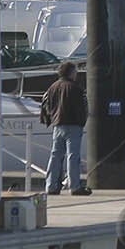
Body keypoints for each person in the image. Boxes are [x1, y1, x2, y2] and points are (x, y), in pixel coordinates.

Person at [41, 62, 90, 195]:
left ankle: (51, 186)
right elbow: (83, 107)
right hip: (73, 125)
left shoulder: (53, 87)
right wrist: (82, 121)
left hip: (58, 125)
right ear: (71, 73)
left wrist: (51, 118)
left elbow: (46, 104)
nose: (76, 74)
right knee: (73, 156)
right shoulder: (75, 88)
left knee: (55, 155)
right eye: (75, 72)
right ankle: (74, 186)